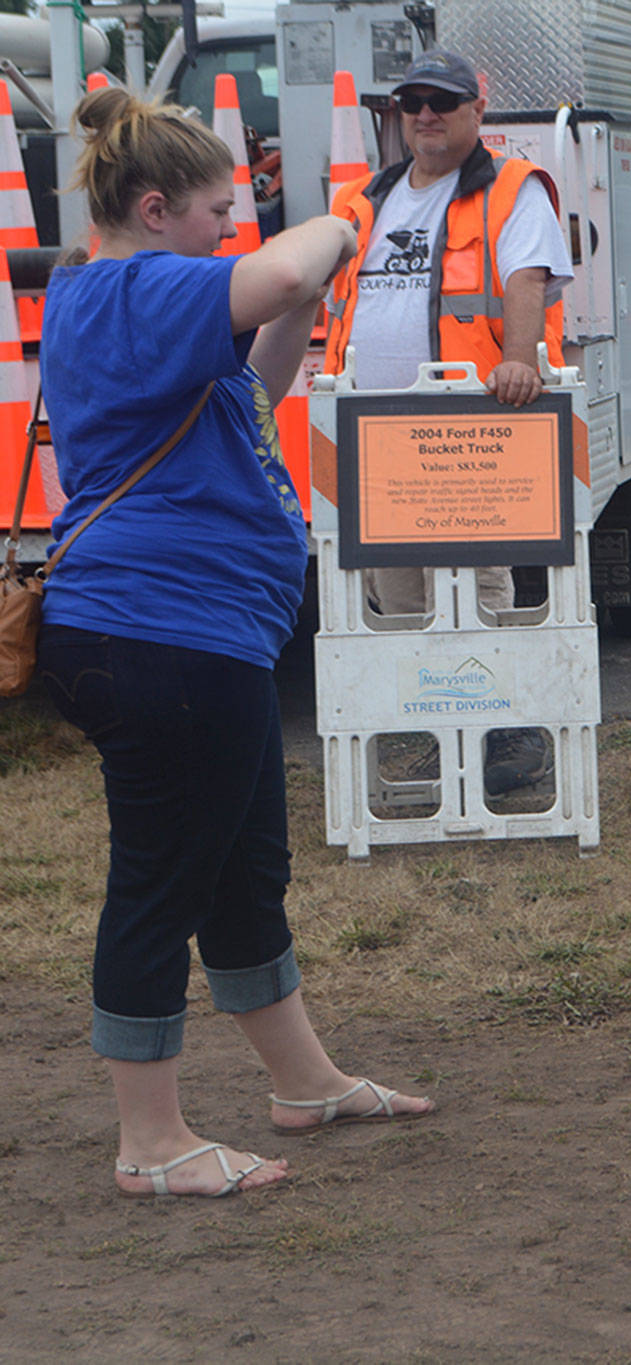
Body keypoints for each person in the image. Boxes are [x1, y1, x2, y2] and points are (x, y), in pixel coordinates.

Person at [36, 88, 432, 1199]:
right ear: (155, 209)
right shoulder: (136, 286)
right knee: (163, 879)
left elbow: (248, 393)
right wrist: (345, 222)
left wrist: (300, 305)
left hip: (194, 638)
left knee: (243, 869)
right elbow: (290, 269)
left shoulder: (126, 293)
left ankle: (303, 1084)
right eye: (220, 210)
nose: (232, 232)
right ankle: (148, 1142)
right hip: (164, 638)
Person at [322, 48, 574, 796]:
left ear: (476, 111)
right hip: (374, 430)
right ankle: (442, 731)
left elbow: (525, 276)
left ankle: (508, 734)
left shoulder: (511, 189)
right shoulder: (364, 199)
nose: (425, 114)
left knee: (474, 583)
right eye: (412, 103)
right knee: (396, 595)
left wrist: (520, 360)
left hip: (469, 427)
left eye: (441, 101)